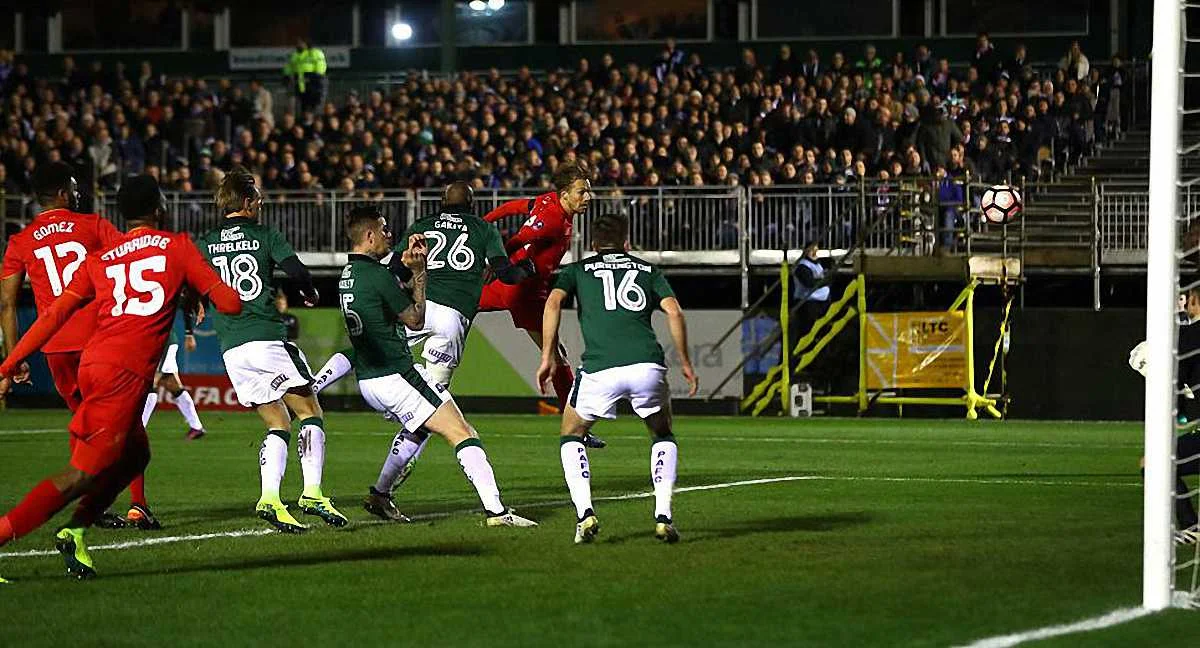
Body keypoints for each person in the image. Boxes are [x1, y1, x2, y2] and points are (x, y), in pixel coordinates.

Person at [0, 174, 241, 580]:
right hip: (122, 374)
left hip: (94, 363)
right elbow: (231, 304)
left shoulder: (102, 259)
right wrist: (204, 284)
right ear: (160, 208)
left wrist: (10, 363)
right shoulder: (177, 247)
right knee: (81, 474)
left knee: (135, 455)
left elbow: (54, 316)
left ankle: (76, 530)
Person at [312, 184, 535, 516]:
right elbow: (507, 274)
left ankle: (314, 386)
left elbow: (395, 271)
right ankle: (391, 491)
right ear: (472, 203)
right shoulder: (483, 229)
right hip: (451, 318)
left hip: (422, 304)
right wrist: (529, 269)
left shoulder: (421, 226)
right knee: (433, 415)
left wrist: (407, 278)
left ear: (441, 202)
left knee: (370, 343)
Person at [195, 167, 345, 533]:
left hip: (232, 349)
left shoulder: (206, 242)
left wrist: (196, 305)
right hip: (265, 336)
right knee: (310, 411)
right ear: (247, 202)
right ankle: (312, 493)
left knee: (278, 421)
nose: (261, 205)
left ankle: (270, 498)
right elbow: (297, 271)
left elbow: (190, 283)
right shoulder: (264, 235)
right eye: (258, 199)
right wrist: (310, 291)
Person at [537, 213, 697, 545]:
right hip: (647, 366)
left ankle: (585, 514)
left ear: (593, 244)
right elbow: (674, 311)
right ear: (626, 243)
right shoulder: (648, 270)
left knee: (571, 434)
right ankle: (663, 516)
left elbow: (552, 303)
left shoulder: (577, 270)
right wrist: (685, 361)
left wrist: (547, 356)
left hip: (600, 368)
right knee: (662, 433)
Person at [477, 162, 608, 447]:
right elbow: (519, 239)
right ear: (565, 194)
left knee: (454, 308)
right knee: (558, 357)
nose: (588, 197)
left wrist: (483, 223)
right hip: (525, 293)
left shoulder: (548, 201)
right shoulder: (552, 218)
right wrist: (496, 263)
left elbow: (512, 207)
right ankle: (577, 428)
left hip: (508, 287)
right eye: (582, 192)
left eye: (588, 191)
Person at [793, 241, 831, 337]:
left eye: (816, 250)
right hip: (808, 303)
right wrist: (825, 280)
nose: (814, 253)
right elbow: (809, 283)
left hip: (821, 302)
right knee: (808, 331)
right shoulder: (802, 266)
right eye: (812, 250)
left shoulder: (817, 264)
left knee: (821, 331)